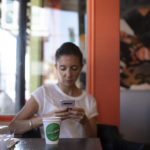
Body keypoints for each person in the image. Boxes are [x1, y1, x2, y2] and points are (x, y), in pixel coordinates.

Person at [9, 42, 98, 138]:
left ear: (81, 68)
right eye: (63, 68)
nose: (68, 74)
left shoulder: (89, 100)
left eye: (74, 68)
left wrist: (85, 122)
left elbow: (93, 139)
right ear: (56, 67)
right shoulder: (43, 93)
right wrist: (45, 119)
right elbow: (13, 127)